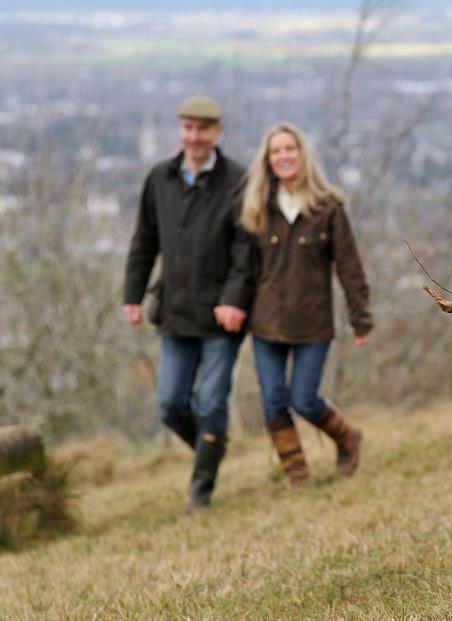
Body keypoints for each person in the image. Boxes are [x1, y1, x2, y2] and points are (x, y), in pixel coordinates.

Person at [123, 96, 253, 513]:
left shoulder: (238, 180)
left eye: (203, 129)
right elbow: (144, 241)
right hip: (175, 311)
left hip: (221, 316)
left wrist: (234, 301)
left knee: (212, 402)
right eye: (188, 128)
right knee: (171, 404)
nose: (194, 137)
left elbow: (246, 251)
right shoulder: (159, 178)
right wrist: (132, 294)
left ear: (217, 132)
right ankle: (211, 448)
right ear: (180, 131)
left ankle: (200, 491)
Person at [240, 121, 372, 487]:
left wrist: (360, 318)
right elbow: (243, 270)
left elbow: (349, 267)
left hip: (313, 324)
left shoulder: (328, 208)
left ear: (302, 155)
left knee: (303, 398)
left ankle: (348, 436)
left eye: (289, 149)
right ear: (267, 160)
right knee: (272, 402)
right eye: (276, 151)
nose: (283, 156)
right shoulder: (257, 209)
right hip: (265, 323)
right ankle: (297, 477)